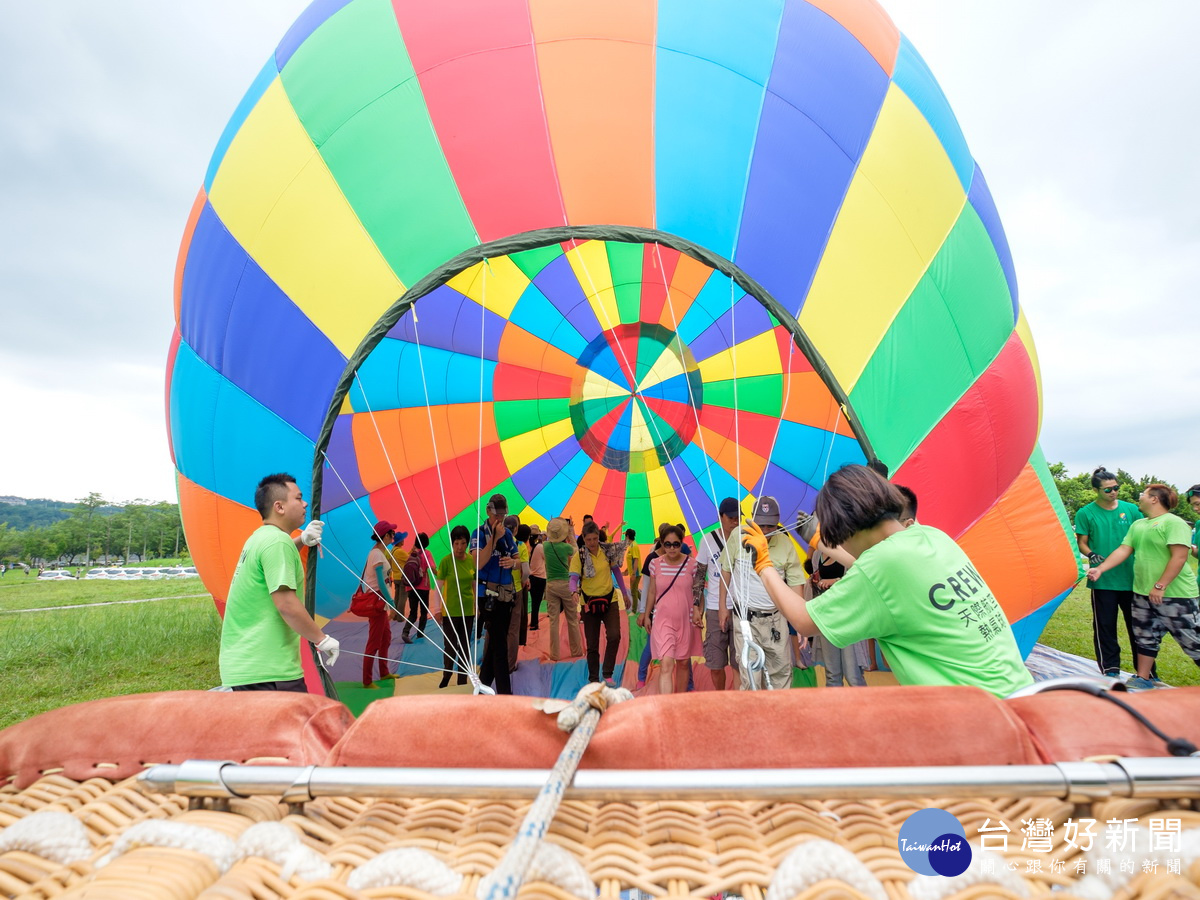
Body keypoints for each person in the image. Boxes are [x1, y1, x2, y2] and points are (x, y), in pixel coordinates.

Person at [744, 464, 1033, 698]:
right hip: (1022, 694)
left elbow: (804, 620)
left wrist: (764, 563)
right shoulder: (933, 536)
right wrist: (821, 543)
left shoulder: (879, 568)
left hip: (979, 719)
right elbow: (881, 573)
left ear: (844, 526)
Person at [218, 473, 338, 692]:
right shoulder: (276, 542)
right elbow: (286, 605)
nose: (305, 503)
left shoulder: (261, 538)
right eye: (298, 498)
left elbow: (276, 556)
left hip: (249, 667)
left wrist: (302, 539)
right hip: (268, 670)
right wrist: (322, 640)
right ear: (279, 507)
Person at [1087, 484, 1200, 689]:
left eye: (1143, 494)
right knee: (1144, 636)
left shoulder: (1174, 523)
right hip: (1142, 593)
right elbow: (1123, 550)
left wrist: (1160, 585)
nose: (1140, 497)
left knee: (1193, 640)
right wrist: (1100, 569)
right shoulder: (1138, 525)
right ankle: (1143, 678)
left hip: (1177, 595)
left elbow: (1180, 556)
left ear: (1155, 499)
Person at [719, 496, 804, 691]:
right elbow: (726, 569)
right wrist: (723, 606)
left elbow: (796, 583)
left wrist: (800, 620)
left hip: (776, 620)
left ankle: (777, 719)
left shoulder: (785, 543)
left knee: (781, 675)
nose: (765, 531)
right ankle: (752, 720)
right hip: (745, 619)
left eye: (770, 526)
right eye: (761, 525)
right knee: (750, 678)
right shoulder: (738, 536)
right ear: (752, 520)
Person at [1073, 466, 1146, 677]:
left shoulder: (1131, 510)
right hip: (1103, 580)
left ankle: (1147, 672)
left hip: (1132, 578)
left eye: (1115, 487)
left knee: (1138, 628)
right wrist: (1091, 554)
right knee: (1105, 626)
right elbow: (1082, 543)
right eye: (1107, 489)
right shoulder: (1085, 513)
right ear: (1096, 490)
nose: (1113, 492)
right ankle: (1110, 668)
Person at [471, 493, 521, 694]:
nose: (499, 519)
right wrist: (494, 539)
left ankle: (481, 689)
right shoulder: (479, 534)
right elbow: (478, 563)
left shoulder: (508, 535)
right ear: (488, 511)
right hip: (488, 595)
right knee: (499, 645)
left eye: (502, 514)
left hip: (506, 595)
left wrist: (513, 563)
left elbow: (520, 564)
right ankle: (505, 695)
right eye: (496, 514)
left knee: (495, 644)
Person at [570, 520, 630, 684]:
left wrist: (624, 593)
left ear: (599, 537)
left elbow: (616, 571)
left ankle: (607, 673)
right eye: (588, 539)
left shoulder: (607, 551)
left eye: (595, 539)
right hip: (589, 603)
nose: (592, 543)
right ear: (583, 538)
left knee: (614, 636)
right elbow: (573, 577)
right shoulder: (580, 555)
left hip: (610, 600)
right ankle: (594, 679)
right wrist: (573, 590)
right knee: (592, 643)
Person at [645, 523, 703, 693]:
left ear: (682, 543)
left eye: (676, 544)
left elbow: (698, 593)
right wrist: (647, 614)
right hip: (663, 621)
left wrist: (698, 611)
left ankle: (678, 701)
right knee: (666, 663)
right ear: (662, 544)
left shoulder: (692, 565)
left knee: (684, 663)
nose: (672, 548)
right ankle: (666, 706)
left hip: (686, 621)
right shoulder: (655, 564)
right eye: (667, 544)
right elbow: (651, 592)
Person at [692, 498, 739, 690]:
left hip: (739, 607)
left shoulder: (745, 539)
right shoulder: (707, 540)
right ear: (721, 517)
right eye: (731, 517)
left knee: (739, 662)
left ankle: (738, 701)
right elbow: (699, 575)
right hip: (713, 608)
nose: (735, 521)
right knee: (716, 662)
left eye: (738, 517)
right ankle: (720, 696)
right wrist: (696, 607)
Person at [434, 525, 477, 689]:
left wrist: (477, 606)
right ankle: (446, 676)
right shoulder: (445, 561)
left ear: (467, 544)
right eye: (456, 543)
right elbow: (438, 588)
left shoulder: (471, 561)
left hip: (467, 611)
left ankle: (462, 680)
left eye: (463, 543)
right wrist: (437, 610)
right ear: (452, 544)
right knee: (450, 647)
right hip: (450, 612)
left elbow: (474, 585)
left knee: (465, 647)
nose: (460, 547)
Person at [360, 521, 398, 688]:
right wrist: (390, 601)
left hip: (382, 602)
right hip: (377, 603)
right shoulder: (376, 554)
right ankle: (367, 680)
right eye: (392, 534)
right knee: (374, 641)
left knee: (386, 638)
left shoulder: (381, 553)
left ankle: (384, 672)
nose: (394, 536)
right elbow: (381, 582)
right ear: (385, 536)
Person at [542, 517, 581, 660]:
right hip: (566, 584)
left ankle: (554, 654)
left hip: (550, 585)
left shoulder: (545, 546)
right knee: (572, 619)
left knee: (553, 621)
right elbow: (576, 551)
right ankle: (576, 651)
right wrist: (571, 532)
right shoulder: (566, 548)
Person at [400, 533, 433, 643]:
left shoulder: (412, 554)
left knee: (413, 612)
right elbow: (432, 568)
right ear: (427, 542)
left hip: (411, 587)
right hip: (423, 587)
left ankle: (405, 632)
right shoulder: (427, 553)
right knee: (424, 611)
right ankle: (420, 632)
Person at [528, 527, 547, 631]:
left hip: (531, 577)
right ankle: (534, 624)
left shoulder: (529, 547)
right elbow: (547, 558)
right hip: (540, 577)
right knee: (537, 602)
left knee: (534, 601)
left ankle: (533, 622)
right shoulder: (540, 547)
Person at [624, 529, 641, 610]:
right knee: (635, 590)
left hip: (636, 573)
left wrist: (634, 573)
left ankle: (634, 610)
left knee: (633, 592)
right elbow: (631, 560)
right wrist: (627, 570)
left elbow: (636, 560)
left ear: (627, 536)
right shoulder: (631, 546)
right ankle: (647, 605)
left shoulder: (634, 546)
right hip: (633, 572)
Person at [1186, 485, 1200, 560]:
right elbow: (1198, 553)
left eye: (1197, 504)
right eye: (1192, 505)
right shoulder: (1198, 524)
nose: (1195, 508)